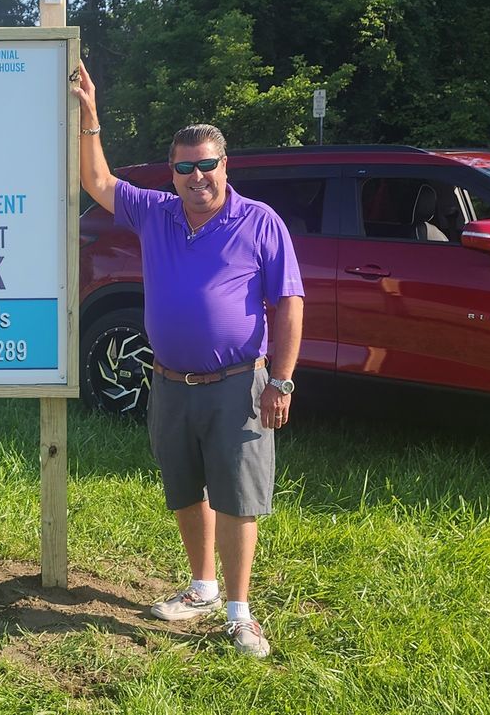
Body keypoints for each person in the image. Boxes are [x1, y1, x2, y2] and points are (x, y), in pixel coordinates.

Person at [73, 61, 303, 659]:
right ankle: (201, 588)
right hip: (170, 381)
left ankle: (240, 613)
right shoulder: (156, 212)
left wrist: (281, 380)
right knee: (183, 487)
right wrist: (90, 116)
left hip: (238, 382)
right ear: (172, 172)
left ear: (226, 165)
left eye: (207, 164)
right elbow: (97, 181)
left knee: (236, 496)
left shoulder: (260, 223)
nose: (196, 175)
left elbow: (289, 303)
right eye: (184, 166)